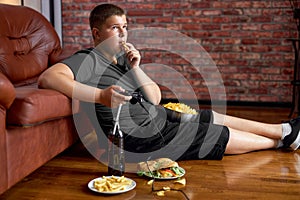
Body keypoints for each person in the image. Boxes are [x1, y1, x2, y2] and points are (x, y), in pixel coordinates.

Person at [38, 4, 300, 162]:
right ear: (97, 33)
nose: (123, 33)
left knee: (209, 117)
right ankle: (281, 141)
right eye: (115, 28)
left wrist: (136, 68)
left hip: (156, 116)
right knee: (212, 136)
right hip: (136, 137)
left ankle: (282, 130)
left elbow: (154, 98)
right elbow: (48, 77)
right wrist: (100, 96)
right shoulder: (87, 60)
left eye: (125, 27)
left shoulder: (123, 62)